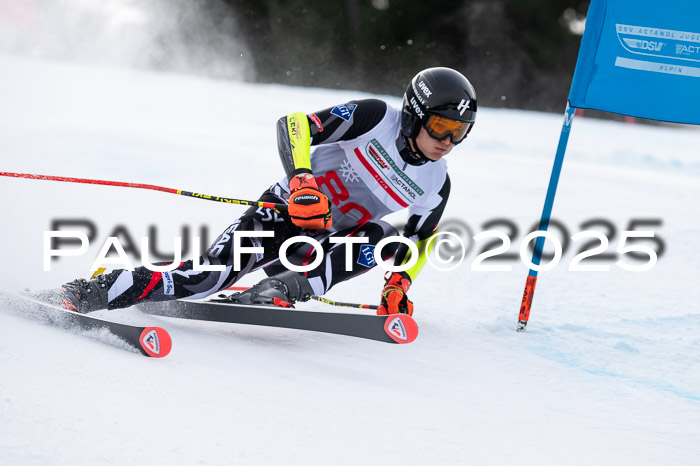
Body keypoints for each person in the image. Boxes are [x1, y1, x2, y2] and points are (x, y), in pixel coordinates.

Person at [60, 67, 477, 316]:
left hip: (322, 248)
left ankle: (287, 288)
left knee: (384, 237)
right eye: (442, 127)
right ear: (415, 115)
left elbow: (422, 238)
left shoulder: (436, 182)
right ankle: (96, 290)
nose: (448, 141)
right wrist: (301, 181)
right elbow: (294, 125)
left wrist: (397, 286)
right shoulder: (374, 118)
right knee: (208, 276)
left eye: (460, 132)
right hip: (281, 214)